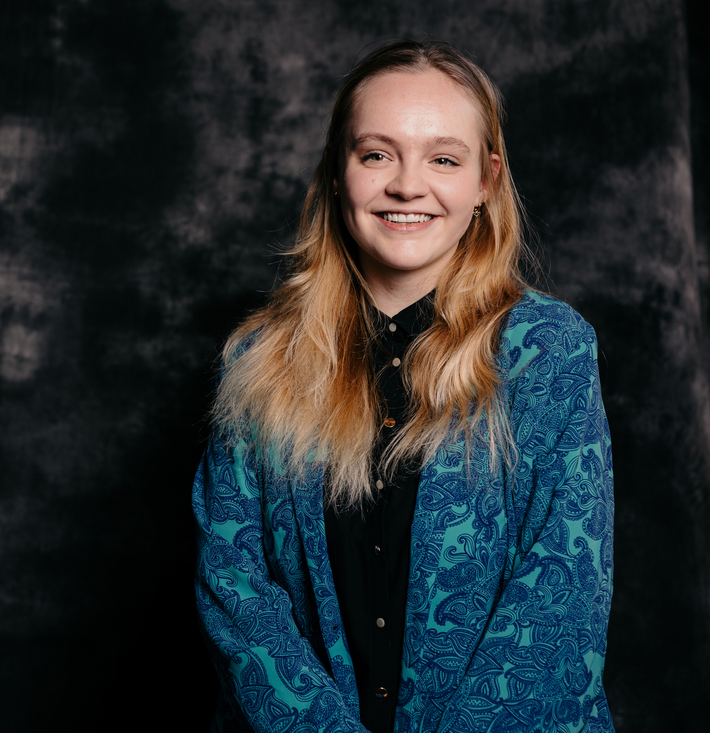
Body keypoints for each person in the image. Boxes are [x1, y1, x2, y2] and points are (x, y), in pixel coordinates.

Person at [192, 40, 614, 733]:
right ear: (338, 171)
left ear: (486, 180)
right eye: (377, 155)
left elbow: (558, 606)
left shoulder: (551, 351)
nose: (408, 186)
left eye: (443, 159)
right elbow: (232, 584)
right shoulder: (258, 359)